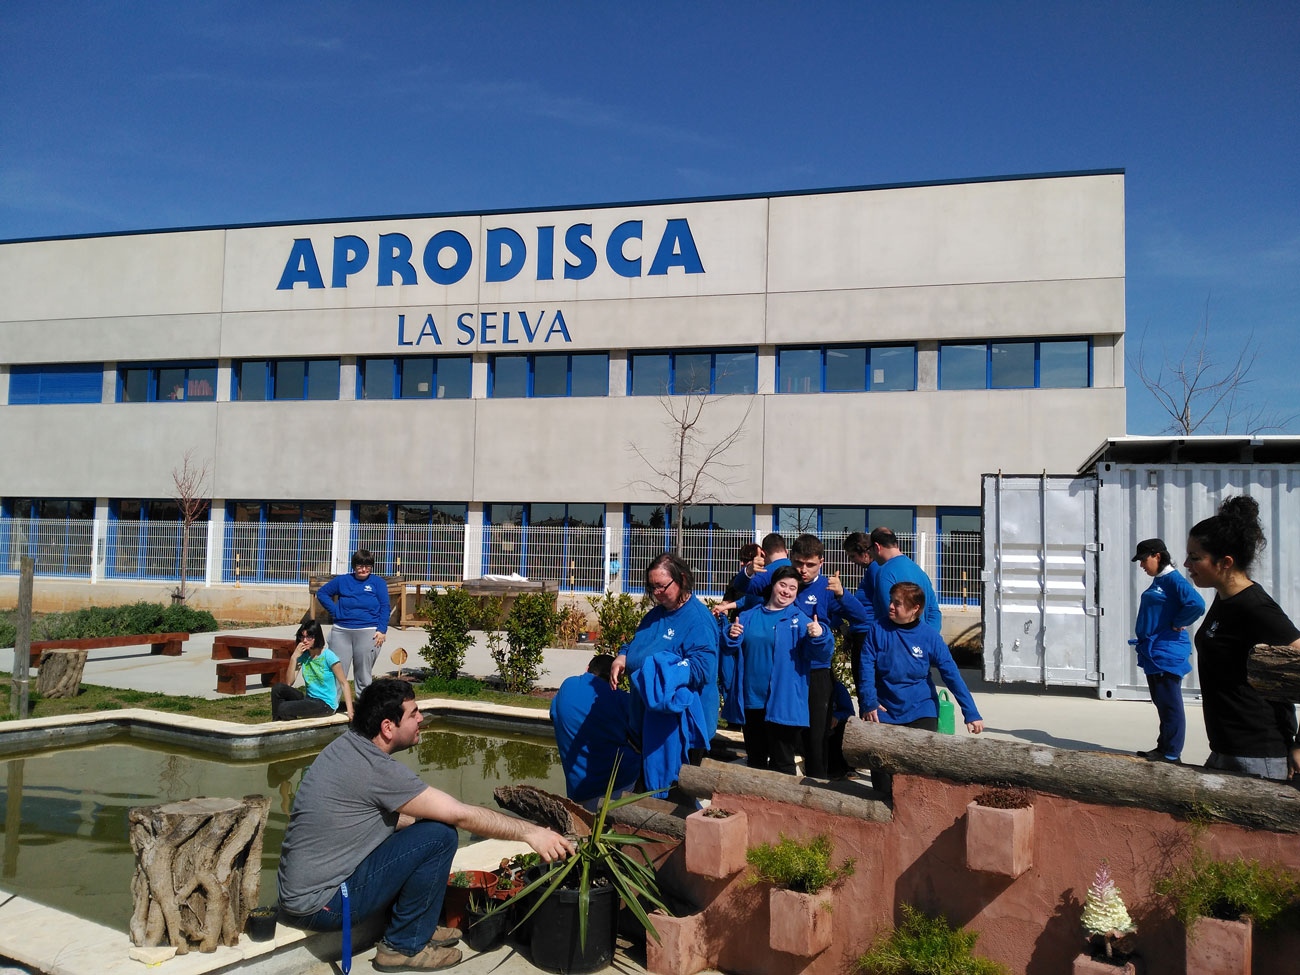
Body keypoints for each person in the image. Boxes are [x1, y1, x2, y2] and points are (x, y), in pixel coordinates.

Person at [277, 678, 573, 972]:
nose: (421, 718)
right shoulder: (375, 769)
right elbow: (460, 815)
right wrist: (531, 832)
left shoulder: (348, 747)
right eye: (413, 713)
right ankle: (402, 946)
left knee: (427, 826)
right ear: (387, 727)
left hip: (306, 895)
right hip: (323, 905)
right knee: (439, 835)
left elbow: (382, 820)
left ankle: (418, 924)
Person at [1184, 496, 1300, 781]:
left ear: (1225, 562)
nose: (1187, 563)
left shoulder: (1256, 608)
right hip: (1226, 750)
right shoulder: (1224, 598)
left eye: (1196, 557)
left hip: (1258, 756)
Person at [609, 553, 719, 796]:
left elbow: (703, 667)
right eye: (652, 587)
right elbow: (641, 643)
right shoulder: (655, 615)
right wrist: (624, 656)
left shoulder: (698, 619)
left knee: (675, 796)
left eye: (661, 586)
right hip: (646, 722)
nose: (656, 593)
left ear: (681, 579)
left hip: (679, 730)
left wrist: (664, 673)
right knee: (647, 787)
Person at [720, 565, 832, 775]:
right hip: (753, 701)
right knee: (756, 762)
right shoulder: (748, 616)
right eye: (783, 585)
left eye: (792, 588)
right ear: (773, 585)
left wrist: (820, 635)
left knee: (783, 764)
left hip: (784, 704)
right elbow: (728, 649)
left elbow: (821, 655)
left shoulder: (800, 621)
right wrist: (730, 634)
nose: (786, 591)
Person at [859, 582, 983, 734]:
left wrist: (971, 712)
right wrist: (869, 701)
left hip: (921, 711)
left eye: (897, 603)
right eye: (891, 601)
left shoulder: (930, 637)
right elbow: (866, 668)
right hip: (884, 710)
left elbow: (951, 675)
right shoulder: (877, 629)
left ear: (915, 608)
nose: (891, 606)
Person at [1130, 537, 1205, 763]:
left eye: (1144, 560)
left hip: (1167, 651)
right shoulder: (1160, 581)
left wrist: (1177, 622)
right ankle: (1163, 747)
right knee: (1162, 701)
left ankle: (1172, 754)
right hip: (1155, 651)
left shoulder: (1173, 580)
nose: (1142, 565)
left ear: (1157, 556)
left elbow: (1197, 604)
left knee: (1170, 703)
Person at [551, 654, 641, 810]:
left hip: (578, 790)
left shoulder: (567, 685)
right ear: (616, 677)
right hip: (618, 784)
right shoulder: (621, 699)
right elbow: (639, 737)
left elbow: (554, 715)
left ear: (587, 669)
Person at [315, 548, 391, 695]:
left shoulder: (378, 583)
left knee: (363, 675)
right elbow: (322, 593)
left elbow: (385, 607)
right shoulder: (342, 580)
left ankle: (363, 707)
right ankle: (331, 706)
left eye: (367, 566)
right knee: (337, 671)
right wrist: (335, 612)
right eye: (360, 566)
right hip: (341, 631)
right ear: (354, 566)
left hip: (368, 632)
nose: (364, 569)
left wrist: (382, 630)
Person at [271, 620, 355, 722]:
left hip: (325, 704)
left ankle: (290, 727)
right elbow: (289, 682)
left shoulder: (328, 656)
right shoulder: (304, 655)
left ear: (317, 637)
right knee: (278, 688)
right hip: (309, 699)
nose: (305, 640)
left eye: (309, 637)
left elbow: (344, 683)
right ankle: (276, 723)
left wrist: (350, 711)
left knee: (284, 708)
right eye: (303, 637)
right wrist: (293, 658)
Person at [868, 527, 942, 629]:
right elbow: (934, 612)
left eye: (869, 550)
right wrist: (927, 639)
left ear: (877, 547)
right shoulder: (919, 571)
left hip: (896, 642)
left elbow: (891, 616)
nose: (870, 554)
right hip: (920, 641)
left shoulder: (884, 573)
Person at [842, 531, 880, 694]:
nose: (852, 562)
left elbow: (881, 602)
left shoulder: (874, 570)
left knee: (865, 684)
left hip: (866, 634)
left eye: (852, 557)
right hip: (860, 632)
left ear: (864, 554)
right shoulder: (871, 570)